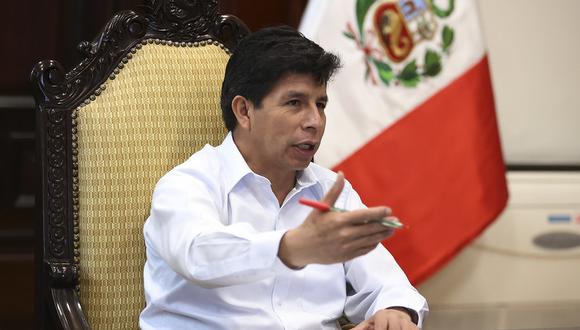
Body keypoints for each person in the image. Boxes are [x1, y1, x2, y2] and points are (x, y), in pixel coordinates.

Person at [139, 26, 428, 330]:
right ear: (244, 111)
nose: (315, 122)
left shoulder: (331, 190)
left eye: (320, 104)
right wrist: (290, 247)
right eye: (295, 103)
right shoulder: (187, 185)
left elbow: (387, 283)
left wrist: (394, 312)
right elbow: (199, 254)